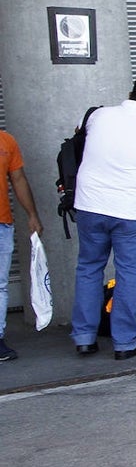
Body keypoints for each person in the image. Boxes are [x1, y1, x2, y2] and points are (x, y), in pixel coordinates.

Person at [71, 75, 136, 361]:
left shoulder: (99, 115)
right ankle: (125, 342)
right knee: (129, 274)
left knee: (89, 268)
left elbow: (81, 139)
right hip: (132, 211)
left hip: (90, 205)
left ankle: (84, 338)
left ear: (130, 93)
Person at [0, 131, 44, 361]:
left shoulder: (6, 141)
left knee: (0, 285)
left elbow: (18, 178)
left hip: (1, 223)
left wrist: (32, 215)